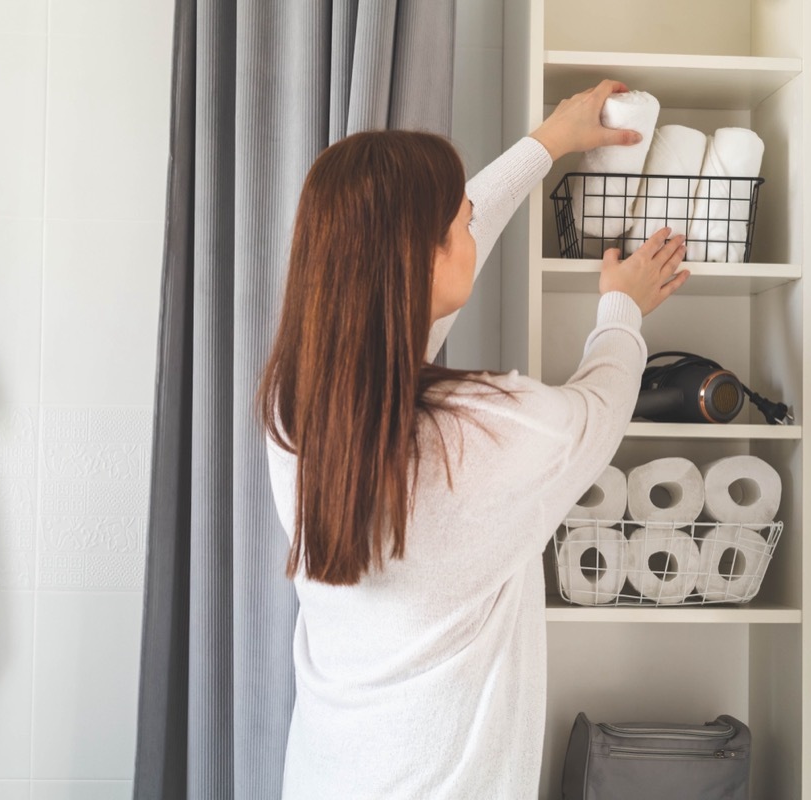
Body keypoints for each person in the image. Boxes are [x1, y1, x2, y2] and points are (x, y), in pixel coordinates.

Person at [258, 80, 690, 799]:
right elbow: (596, 412)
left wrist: (546, 144)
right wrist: (623, 308)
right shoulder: (485, 435)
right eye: (457, 225)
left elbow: (445, 246)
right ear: (421, 260)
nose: (471, 228)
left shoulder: (298, 408)